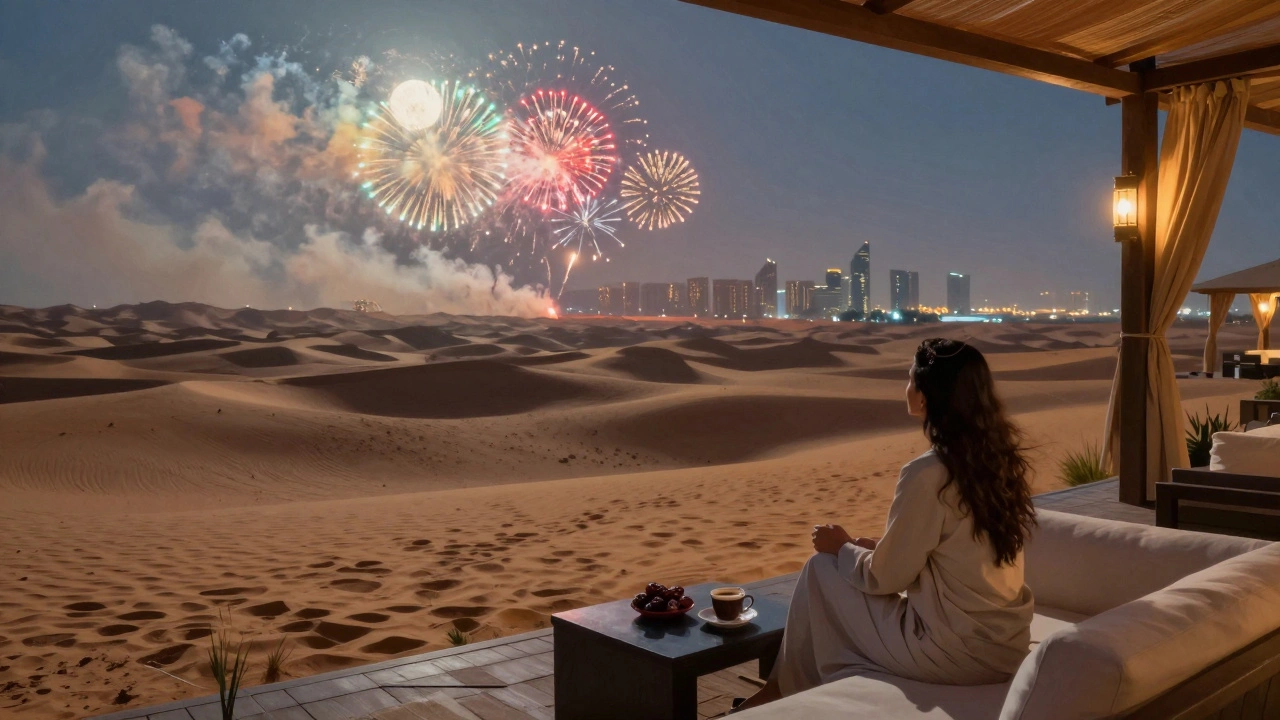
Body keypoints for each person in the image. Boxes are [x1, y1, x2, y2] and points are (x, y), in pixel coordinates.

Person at [732, 338, 1036, 713]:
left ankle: (782, 692)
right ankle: (787, 689)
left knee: (820, 569)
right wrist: (878, 547)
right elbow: (953, 555)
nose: (906, 387)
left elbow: (885, 580)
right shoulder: (996, 464)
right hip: (1005, 645)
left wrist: (841, 547)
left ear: (925, 397)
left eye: (910, 378)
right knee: (838, 568)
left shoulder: (928, 474)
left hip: (957, 653)